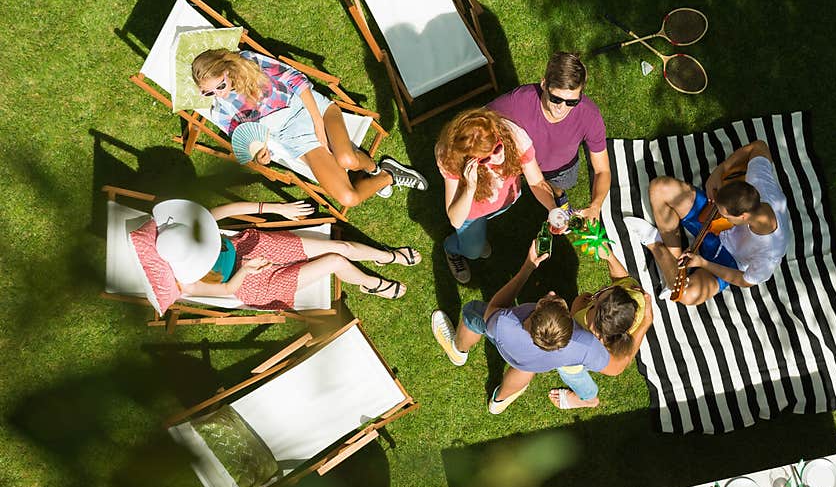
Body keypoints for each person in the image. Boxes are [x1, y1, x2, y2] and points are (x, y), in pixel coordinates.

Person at [430, 240, 653, 413]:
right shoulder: (584, 346)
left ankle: (458, 352)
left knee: (472, 313)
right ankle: (498, 402)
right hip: (533, 363)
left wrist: (527, 266)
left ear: (532, 316)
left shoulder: (505, 324)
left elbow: (494, 309)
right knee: (524, 368)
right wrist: (644, 325)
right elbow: (615, 368)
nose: (553, 293)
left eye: (547, 300)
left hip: (510, 344)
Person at [191, 49, 428, 207]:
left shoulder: (249, 63)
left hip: (310, 109)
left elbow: (297, 80)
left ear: (227, 71)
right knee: (348, 198)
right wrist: (262, 156)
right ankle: (387, 175)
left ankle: (375, 168)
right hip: (293, 140)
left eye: (220, 85)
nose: (217, 94)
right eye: (208, 92)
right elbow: (250, 141)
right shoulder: (222, 111)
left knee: (347, 160)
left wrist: (317, 124)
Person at [149, 197, 420, 307]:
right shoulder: (186, 281)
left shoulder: (196, 226)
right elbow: (226, 290)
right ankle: (373, 284)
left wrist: (278, 207)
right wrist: (245, 269)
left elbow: (228, 210)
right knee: (335, 260)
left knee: (341, 247)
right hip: (255, 284)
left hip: (254, 245)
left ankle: (389, 256)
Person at [625, 139, 790, 306]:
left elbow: (745, 281)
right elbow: (759, 146)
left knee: (688, 296)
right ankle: (676, 267)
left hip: (729, 260)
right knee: (659, 187)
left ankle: (656, 245)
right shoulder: (760, 184)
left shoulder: (769, 254)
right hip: (717, 228)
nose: (721, 214)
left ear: (743, 217)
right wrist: (720, 171)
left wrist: (703, 263)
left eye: (726, 215)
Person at [435, 107, 557, 283]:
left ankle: (477, 236)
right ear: (469, 160)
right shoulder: (450, 158)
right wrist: (470, 187)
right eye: (485, 159)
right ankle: (452, 248)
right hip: (471, 212)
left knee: (480, 234)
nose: (497, 158)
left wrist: (553, 209)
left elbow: (537, 182)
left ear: (497, 134)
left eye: (498, 148)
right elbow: (455, 219)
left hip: (504, 201)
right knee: (473, 252)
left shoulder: (514, 136)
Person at [487, 51, 610, 223]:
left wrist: (596, 206)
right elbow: (482, 117)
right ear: (544, 84)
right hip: (521, 164)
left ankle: (558, 195)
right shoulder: (517, 102)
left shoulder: (590, 116)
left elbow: (602, 170)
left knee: (560, 187)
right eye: (556, 99)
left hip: (563, 168)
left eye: (571, 102)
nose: (562, 108)